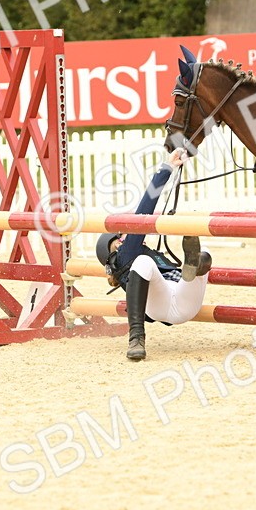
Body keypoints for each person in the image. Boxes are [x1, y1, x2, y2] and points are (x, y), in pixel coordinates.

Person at [96, 148, 212, 361]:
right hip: (165, 304)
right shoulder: (125, 256)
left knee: (205, 253)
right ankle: (136, 338)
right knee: (142, 262)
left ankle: (197, 263)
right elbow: (144, 209)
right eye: (121, 236)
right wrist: (166, 169)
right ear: (116, 249)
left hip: (183, 298)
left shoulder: (140, 256)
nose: (127, 235)